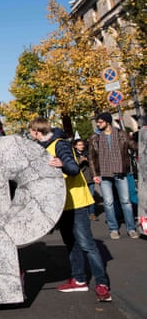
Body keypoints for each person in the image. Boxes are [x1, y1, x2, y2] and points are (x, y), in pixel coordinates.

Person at [29, 117, 111, 302]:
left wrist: (63, 165)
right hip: (63, 204)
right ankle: (79, 279)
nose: (31, 136)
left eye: (31, 133)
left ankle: (102, 284)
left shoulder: (59, 145)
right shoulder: (47, 146)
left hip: (76, 202)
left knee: (87, 245)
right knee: (72, 244)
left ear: (35, 131)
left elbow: (73, 169)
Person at [88, 112, 138, 239]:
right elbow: (92, 157)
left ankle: (131, 228)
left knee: (126, 201)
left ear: (107, 122)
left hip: (121, 171)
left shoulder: (121, 133)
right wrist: (94, 174)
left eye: (100, 122)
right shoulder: (95, 137)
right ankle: (113, 229)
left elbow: (133, 145)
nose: (98, 124)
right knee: (108, 202)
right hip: (104, 174)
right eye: (97, 122)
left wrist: (141, 145)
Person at [73, 139, 97, 221]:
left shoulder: (88, 153)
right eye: (79, 145)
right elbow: (73, 166)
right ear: (75, 146)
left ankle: (92, 213)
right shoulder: (73, 155)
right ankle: (85, 214)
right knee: (83, 197)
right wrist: (80, 161)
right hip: (81, 179)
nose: (81, 146)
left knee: (91, 196)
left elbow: (94, 163)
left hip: (90, 177)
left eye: (82, 145)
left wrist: (88, 160)